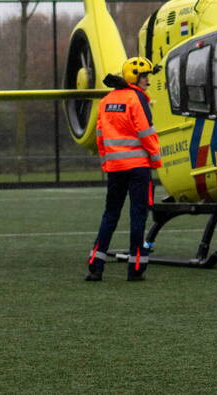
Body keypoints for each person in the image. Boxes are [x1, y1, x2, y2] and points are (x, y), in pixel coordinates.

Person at [86, 56, 162, 282]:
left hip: (115, 168)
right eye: (145, 77)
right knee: (138, 216)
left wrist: (106, 162)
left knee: (110, 215)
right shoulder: (137, 99)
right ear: (135, 78)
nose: (147, 81)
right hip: (138, 168)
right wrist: (156, 159)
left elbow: (99, 135)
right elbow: (145, 131)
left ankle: (95, 266)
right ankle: (136, 268)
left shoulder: (106, 100)